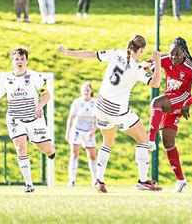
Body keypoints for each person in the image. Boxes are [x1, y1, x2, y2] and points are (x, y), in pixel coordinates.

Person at [57, 35, 162, 193]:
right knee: (143, 139)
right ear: (140, 50)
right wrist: (158, 63)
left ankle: (99, 180)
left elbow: (91, 54)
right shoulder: (135, 69)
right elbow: (155, 82)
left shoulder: (116, 53)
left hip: (100, 107)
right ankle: (143, 180)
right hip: (117, 111)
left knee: (107, 142)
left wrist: (68, 52)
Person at [0, 48, 56, 193]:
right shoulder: (6, 78)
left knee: (47, 150)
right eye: (16, 59)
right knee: (20, 148)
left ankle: (47, 147)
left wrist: (40, 106)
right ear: (12, 61)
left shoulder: (35, 76)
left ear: (26, 61)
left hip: (34, 118)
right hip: (15, 118)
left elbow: (46, 95)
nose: (19, 61)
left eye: (22, 59)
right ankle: (29, 185)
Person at [147, 37, 192, 193]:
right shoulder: (167, 59)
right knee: (167, 142)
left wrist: (188, 103)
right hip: (170, 101)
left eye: (177, 54)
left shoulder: (191, 68)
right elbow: (149, 64)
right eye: (171, 54)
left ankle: (149, 140)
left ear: (184, 53)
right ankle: (181, 180)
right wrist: (149, 65)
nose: (173, 57)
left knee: (156, 103)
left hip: (181, 99)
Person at [65, 82, 97, 187]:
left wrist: (92, 131)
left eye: (88, 89)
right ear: (81, 91)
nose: (86, 91)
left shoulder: (95, 103)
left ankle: (95, 180)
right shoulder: (77, 102)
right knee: (74, 154)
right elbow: (71, 117)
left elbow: (97, 119)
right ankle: (72, 180)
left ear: (91, 91)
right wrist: (68, 132)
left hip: (89, 132)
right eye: (84, 90)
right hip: (77, 131)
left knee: (92, 156)